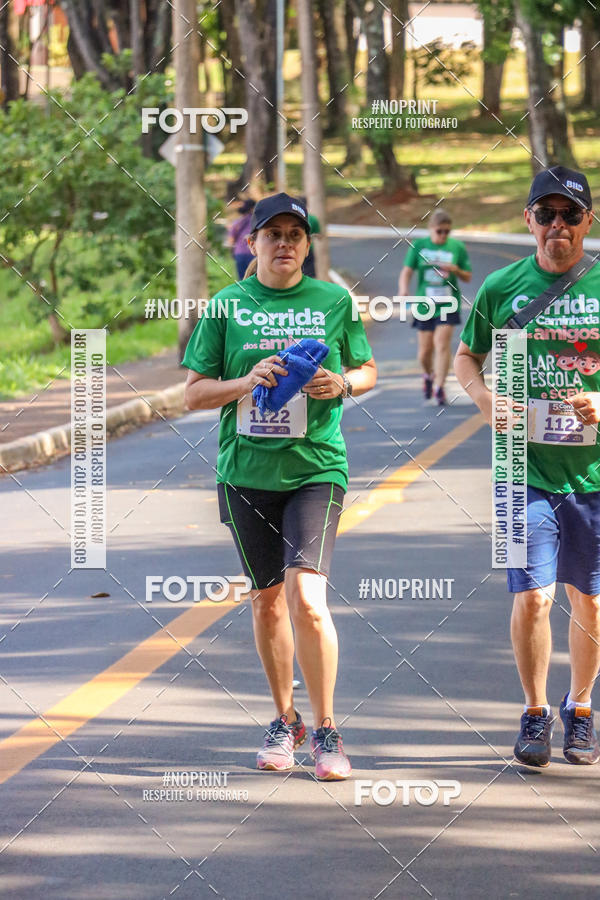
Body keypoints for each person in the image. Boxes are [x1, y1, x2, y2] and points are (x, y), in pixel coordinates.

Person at [183, 192, 377, 780]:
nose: (286, 244)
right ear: (254, 242)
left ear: (308, 245)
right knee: (267, 602)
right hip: (245, 473)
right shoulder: (227, 305)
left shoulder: (333, 300)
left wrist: (340, 384)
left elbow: (367, 370)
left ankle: (326, 729)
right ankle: (284, 718)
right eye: (275, 234)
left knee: (307, 601)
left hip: (316, 467)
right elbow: (193, 393)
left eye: (297, 234)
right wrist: (246, 381)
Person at [455, 165, 600, 767]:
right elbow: (468, 357)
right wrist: (486, 400)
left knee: (589, 600)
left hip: (594, 474)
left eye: (570, 215)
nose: (557, 226)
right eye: (546, 214)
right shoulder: (501, 288)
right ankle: (536, 712)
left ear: (588, 222)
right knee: (535, 596)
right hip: (522, 469)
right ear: (529, 221)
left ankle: (582, 708)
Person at [399, 210, 472, 405]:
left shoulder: (457, 247)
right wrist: (403, 289)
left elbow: (468, 276)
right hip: (425, 304)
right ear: (431, 229)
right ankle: (428, 374)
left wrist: (456, 270)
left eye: (447, 232)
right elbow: (407, 271)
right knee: (424, 351)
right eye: (439, 231)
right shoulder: (420, 246)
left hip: (448, 303)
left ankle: (440, 386)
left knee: (442, 344)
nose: (443, 235)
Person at [228, 198, 256, 279]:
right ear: (253, 208)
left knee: (242, 281)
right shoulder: (258, 222)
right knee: (255, 280)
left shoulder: (237, 222)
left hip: (240, 254)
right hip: (254, 254)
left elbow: (231, 240)